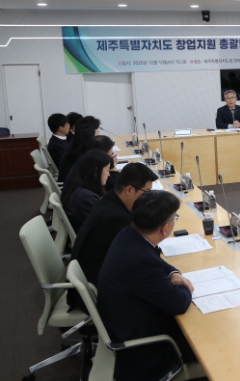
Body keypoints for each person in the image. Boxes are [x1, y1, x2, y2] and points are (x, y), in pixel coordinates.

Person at [98, 191, 199, 381]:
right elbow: (179, 303)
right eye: (175, 218)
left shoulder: (128, 235)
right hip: (145, 349)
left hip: (126, 323)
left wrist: (174, 274)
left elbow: (157, 261)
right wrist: (186, 286)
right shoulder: (141, 262)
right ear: (165, 229)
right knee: (209, 340)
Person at [68, 163, 158, 311]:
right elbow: (141, 256)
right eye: (146, 193)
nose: (148, 199)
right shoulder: (115, 218)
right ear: (129, 190)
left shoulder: (110, 200)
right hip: (96, 289)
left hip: (93, 274)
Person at [62, 150, 112, 233]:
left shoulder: (82, 186)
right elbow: (104, 225)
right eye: (107, 170)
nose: (109, 174)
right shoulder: (85, 198)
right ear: (96, 171)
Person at [58, 116, 101, 182]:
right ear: (89, 132)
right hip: (75, 185)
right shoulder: (80, 152)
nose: (98, 131)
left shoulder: (77, 143)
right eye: (96, 129)